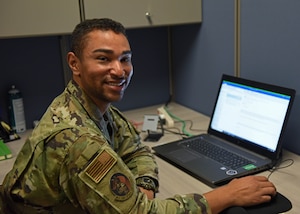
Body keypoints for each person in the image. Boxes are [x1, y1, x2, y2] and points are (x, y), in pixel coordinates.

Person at [0, 18, 276, 214]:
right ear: (75, 63)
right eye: (104, 58)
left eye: (125, 58)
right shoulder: (79, 140)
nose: (119, 70)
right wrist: (226, 195)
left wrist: (143, 186)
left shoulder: (89, 105)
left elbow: (137, 150)